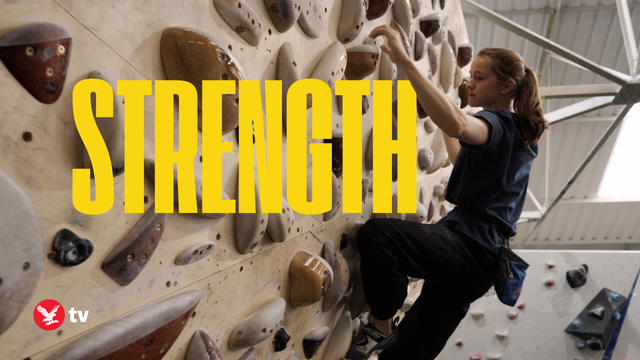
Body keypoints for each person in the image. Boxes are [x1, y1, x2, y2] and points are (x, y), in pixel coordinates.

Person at [347, 22, 549, 360]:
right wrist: (441, 116)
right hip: (478, 268)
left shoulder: (500, 123)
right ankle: (385, 338)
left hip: (471, 250)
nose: (470, 82)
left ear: (506, 87)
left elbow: (458, 123)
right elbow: (460, 153)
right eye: (472, 74)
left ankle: (379, 325)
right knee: (409, 354)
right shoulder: (513, 136)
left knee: (379, 236)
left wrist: (407, 63)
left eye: (480, 77)